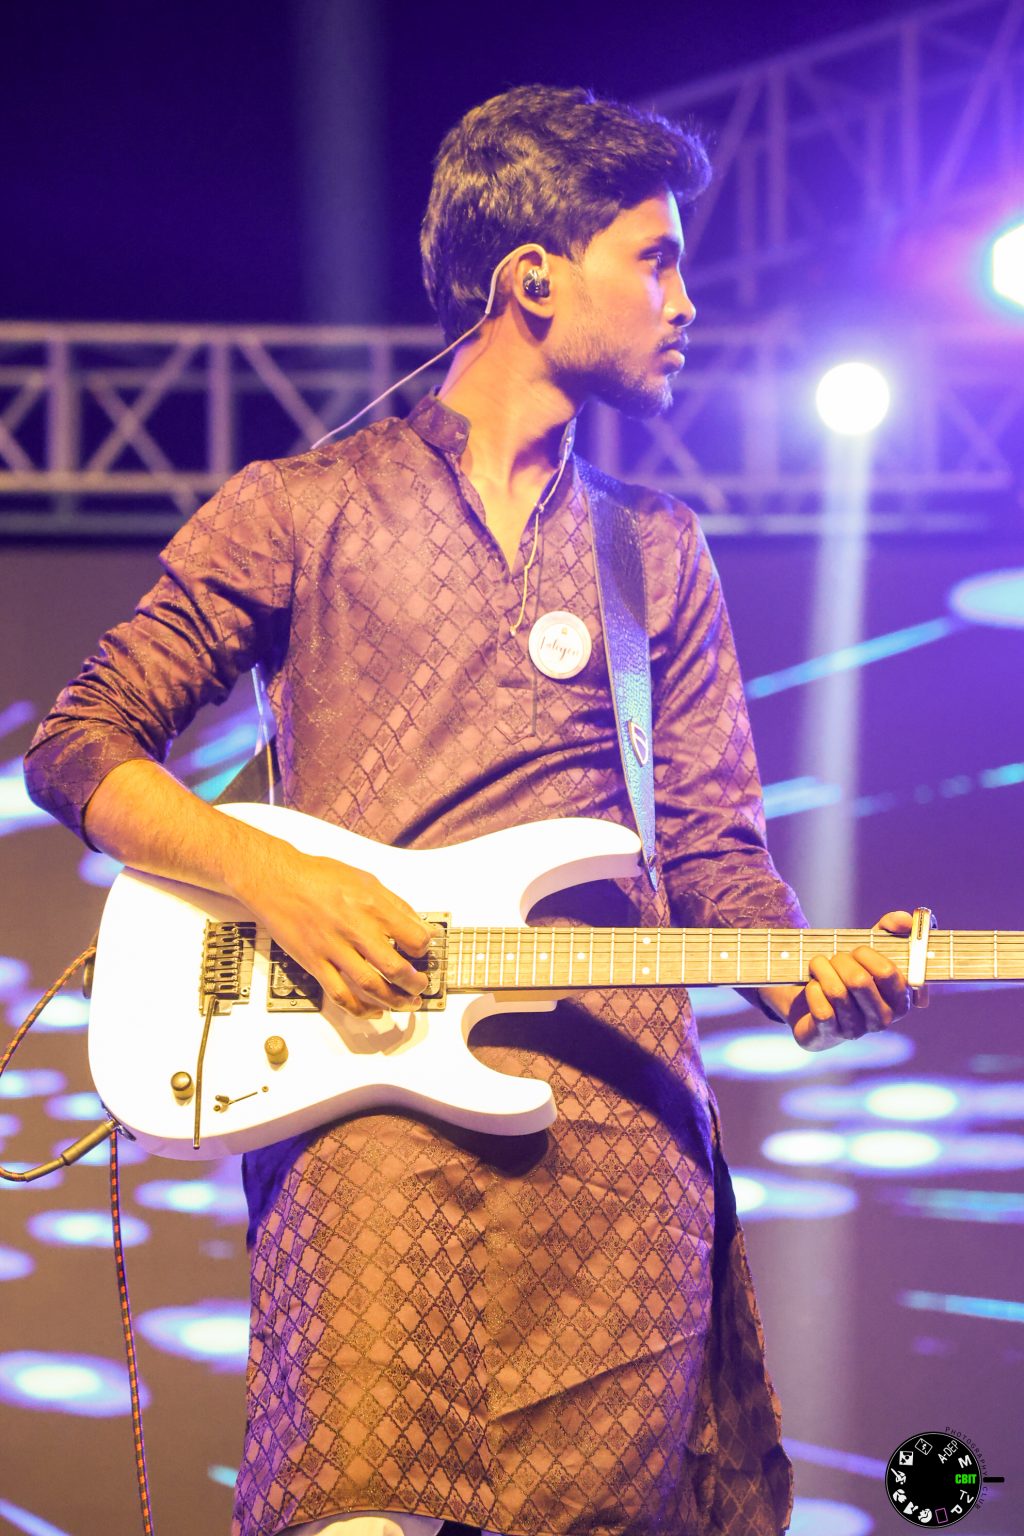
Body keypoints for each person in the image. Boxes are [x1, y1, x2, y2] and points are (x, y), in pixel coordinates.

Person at [25, 86, 914, 1536]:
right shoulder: (299, 507)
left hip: (615, 1139)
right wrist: (273, 879)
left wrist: (799, 968)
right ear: (535, 278)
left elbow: (712, 851)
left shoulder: (658, 550)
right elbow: (79, 742)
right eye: (657, 258)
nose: (688, 300)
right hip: (363, 1089)